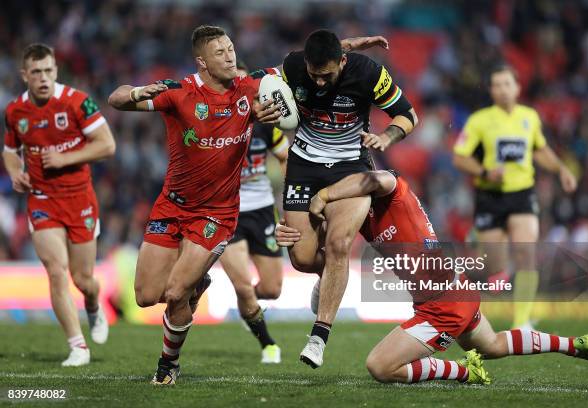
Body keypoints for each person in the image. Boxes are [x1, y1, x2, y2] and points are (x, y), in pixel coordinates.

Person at [276, 170, 588, 385]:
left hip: (442, 303)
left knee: (379, 365)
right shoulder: (361, 218)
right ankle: (577, 345)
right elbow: (326, 258)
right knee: (492, 344)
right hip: (450, 291)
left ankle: (463, 371)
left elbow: (374, 179)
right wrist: (291, 236)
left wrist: (326, 194)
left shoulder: (392, 186)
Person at [108, 25, 281, 385]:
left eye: (231, 48)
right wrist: (139, 91)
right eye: (221, 52)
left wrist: (347, 48)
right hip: (171, 207)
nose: (231, 56)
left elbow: (303, 61)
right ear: (202, 61)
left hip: (217, 215)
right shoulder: (178, 93)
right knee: (145, 297)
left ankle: (167, 365)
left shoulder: (251, 87)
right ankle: (198, 282)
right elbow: (117, 98)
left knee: (175, 294)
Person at [280, 29, 418, 368]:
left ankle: (318, 337)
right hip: (303, 166)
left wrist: (387, 135)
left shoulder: (368, 72)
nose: (321, 83)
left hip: (350, 168)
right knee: (300, 258)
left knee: (340, 245)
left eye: (327, 75)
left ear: (343, 61)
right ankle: (325, 277)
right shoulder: (292, 66)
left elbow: (408, 115)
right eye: (315, 75)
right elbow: (260, 90)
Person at [2, 43, 115, 366]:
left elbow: (107, 145)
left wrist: (66, 157)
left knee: (83, 280)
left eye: (48, 71)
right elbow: (10, 151)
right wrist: (15, 172)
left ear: (56, 71)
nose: (43, 78)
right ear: (25, 75)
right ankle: (77, 346)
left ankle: (93, 304)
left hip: (79, 198)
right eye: (36, 72)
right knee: (55, 271)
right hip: (42, 199)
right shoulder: (15, 112)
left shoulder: (78, 102)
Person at [453, 64, 577, 329]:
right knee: (494, 271)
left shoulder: (529, 117)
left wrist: (561, 169)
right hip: (490, 196)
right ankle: (486, 248)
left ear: (518, 88)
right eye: (496, 85)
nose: (502, 90)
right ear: (490, 90)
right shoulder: (480, 120)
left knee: (525, 251)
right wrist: (485, 171)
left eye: (507, 84)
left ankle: (522, 322)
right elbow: (459, 157)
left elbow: (540, 150)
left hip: (522, 194)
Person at [217, 62, 289, 364]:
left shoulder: (266, 124)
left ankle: (248, 305)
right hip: (226, 212)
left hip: (262, 210)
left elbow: (285, 156)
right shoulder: (216, 123)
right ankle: (268, 344)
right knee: (244, 285)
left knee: (271, 290)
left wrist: (289, 200)